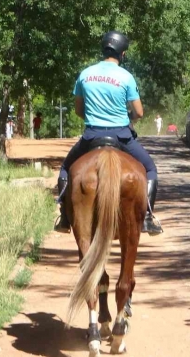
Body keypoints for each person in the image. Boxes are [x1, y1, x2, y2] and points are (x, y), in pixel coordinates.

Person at [56, 30, 163, 235]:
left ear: (103, 50)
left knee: (66, 168)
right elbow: (139, 112)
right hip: (121, 136)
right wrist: (126, 117)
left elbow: (79, 110)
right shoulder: (126, 77)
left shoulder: (85, 74)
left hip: (91, 135)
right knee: (150, 169)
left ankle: (64, 216)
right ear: (122, 54)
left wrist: (95, 118)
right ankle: (148, 218)